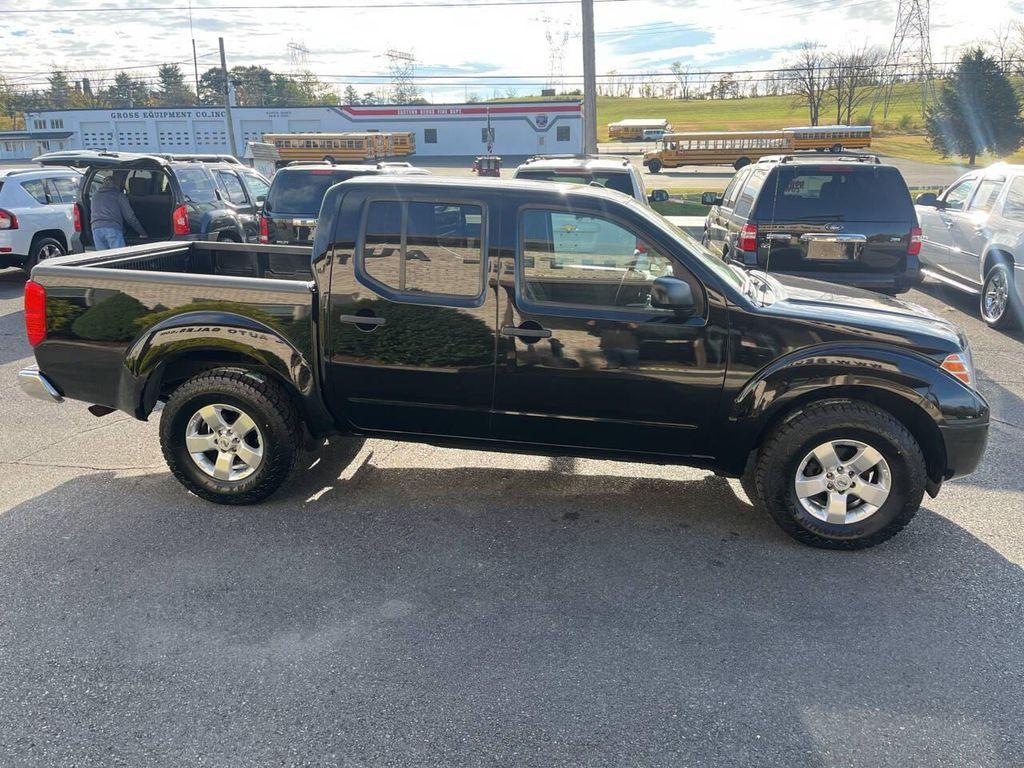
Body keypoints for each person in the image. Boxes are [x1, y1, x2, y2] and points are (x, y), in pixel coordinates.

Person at [90, 173, 147, 249]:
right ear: (116, 185)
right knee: (119, 258)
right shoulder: (119, 196)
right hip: (112, 228)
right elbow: (130, 217)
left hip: (96, 229)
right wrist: (142, 233)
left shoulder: (94, 195)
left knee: (103, 259)